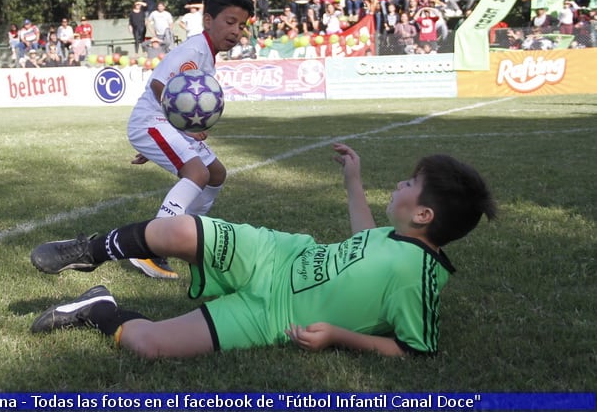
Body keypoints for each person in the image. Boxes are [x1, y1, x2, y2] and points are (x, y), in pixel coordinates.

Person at [29, 143, 496, 359]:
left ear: (424, 217)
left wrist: (338, 335)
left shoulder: (421, 278)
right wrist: (353, 181)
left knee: (146, 346)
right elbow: (363, 240)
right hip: (277, 255)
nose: (400, 183)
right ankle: (91, 249)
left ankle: (100, 307)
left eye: (411, 183)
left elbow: (411, 348)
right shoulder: (398, 240)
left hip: (272, 317)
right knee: (175, 231)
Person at [122, 0, 253, 280]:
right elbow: (159, 84)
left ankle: (189, 233)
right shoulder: (194, 50)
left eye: (242, 26)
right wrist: (181, 129)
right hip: (152, 120)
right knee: (198, 174)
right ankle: (150, 248)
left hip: (163, 125)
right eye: (230, 22)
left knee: (216, 174)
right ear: (208, 20)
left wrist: (173, 136)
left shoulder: (207, 52)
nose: (236, 31)